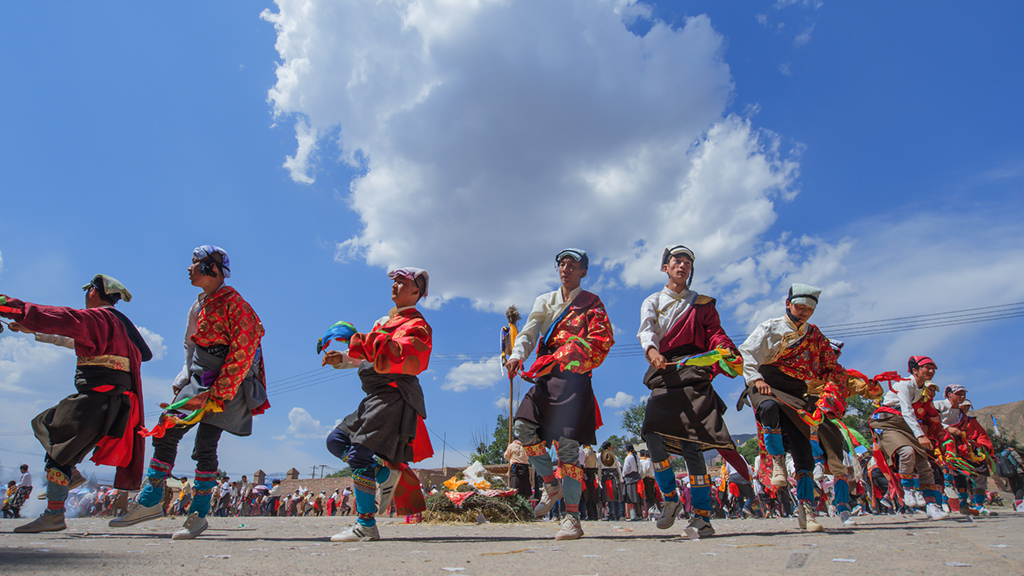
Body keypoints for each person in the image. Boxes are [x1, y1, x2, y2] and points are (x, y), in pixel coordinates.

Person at [110, 245, 269, 539]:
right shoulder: (198, 306)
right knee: (167, 430)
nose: (189, 268)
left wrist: (217, 392)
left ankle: (197, 515)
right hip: (199, 376)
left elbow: (244, 351)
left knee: (205, 446)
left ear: (213, 268)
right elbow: (190, 344)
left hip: (228, 381)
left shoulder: (236, 304)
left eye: (195, 263)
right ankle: (149, 501)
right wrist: (185, 376)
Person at [0, 274, 152, 533]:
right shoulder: (120, 327)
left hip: (94, 401)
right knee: (60, 446)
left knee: (52, 434)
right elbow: (72, 339)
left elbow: (59, 318)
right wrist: (34, 330)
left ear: (94, 291)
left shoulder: (96, 318)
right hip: (115, 405)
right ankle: (64, 492)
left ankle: (54, 514)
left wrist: (12, 308)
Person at [506, 249, 615, 540]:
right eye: (562, 263)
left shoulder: (592, 303)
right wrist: (518, 355)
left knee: (568, 450)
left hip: (575, 380)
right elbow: (529, 333)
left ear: (584, 272)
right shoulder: (545, 301)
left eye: (573, 264)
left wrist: (569, 353)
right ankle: (550, 484)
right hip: (545, 376)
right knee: (522, 427)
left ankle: (572, 519)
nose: (566, 268)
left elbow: (602, 340)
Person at [637, 245, 744, 538]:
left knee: (692, 444)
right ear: (665, 267)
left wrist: (723, 348)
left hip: (695, 371)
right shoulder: (653, 300)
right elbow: (646, 331)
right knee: (652, 432)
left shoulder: (704, 304)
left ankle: (702, 516)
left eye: (687, 262)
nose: (682, 265)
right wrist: (653, 351)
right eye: (676, 260)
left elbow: (715, 332)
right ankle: (670, 499)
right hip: (664, 371)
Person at [322, 267, 433, 542]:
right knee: (336, 441)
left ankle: (366, 525)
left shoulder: (418, 326)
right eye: (394, 282)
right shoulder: (383, 321)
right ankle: (383, 474)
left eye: (401, 282)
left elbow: (400, 356)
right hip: (373, 397)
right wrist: (343, 359)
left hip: (394, 396)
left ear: (416, 291)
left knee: (359, 454)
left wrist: (356, 339)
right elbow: (368, 357)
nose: (394, 285)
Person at [738, 283, 850, 532]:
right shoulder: (770, 327)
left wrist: (830, 395)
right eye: (800, 306)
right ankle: (778, 462)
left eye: (810, 309)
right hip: (765, 382)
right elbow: (746, 352)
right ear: (788, 304)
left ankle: (807, 513)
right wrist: (756, 379)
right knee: (768, 408)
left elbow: (831, 366)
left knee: (804, 456)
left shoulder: (815, 336)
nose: (804, 312)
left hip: (796, 392)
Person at [869, 356, 949, 520]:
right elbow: (907, 411)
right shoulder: (905, 384)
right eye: (927, 367)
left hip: (908, 426)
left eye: (934, 368)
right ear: (915, 370)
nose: (931, 371)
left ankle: (931, 505)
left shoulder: (925, 392)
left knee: (925, 464)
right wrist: (920, 435)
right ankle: (908, 489)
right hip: (889, 423)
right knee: (906, 452)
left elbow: (930, 414)